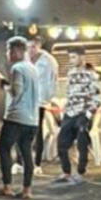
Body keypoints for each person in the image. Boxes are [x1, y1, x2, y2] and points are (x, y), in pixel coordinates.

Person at [0, 36, 39, 199]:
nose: (8, 54)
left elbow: (16, 92)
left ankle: (7, 186)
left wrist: (5, 86)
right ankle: (27, 190)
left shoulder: (17, 68)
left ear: (17, 51)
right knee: (26, 153)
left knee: (4, 149)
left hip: (16, 117)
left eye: (9, 50)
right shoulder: (33, 68)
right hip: (32, 119)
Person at [53, 49, 101, 185]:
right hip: (70, 112)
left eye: (74, 57)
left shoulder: (91, 75)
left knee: (82, 142)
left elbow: (97, 98)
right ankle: (66, 172)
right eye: (70, 57)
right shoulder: (70, 73)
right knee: (62, 143)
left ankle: (81, 172)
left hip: (83, 112)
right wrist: (66, 110)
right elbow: (70, 94)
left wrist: (88, 115)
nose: (71, 60)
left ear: (82, 57)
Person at [28, 36, 59, 172]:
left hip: (40, 99)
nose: (31, 50)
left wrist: (49, 97)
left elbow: (54, 80)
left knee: (38, 129)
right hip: (26, 98)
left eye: (33, 47)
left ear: (39, 46)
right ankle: (20, 162)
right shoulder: (25, 59)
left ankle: (37, 163)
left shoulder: (48, 61)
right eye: (28, 47)